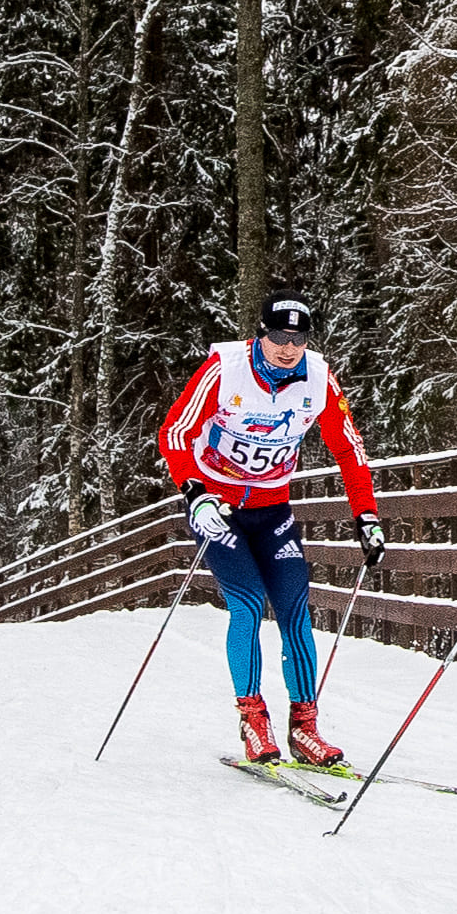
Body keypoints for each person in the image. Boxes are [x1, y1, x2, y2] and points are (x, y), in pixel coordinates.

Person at [157, 294, 388, 766]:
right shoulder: (226, 369)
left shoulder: (319, 378)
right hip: (218, 508)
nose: (288, 348)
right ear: (259, 335)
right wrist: (194, 492)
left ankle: (305, 728)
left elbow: (349, 449)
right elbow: (175, 433)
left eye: (298, 338)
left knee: (294, 611)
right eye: (278, 337)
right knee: (245, 605)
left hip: (273, 509)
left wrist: (366, 516)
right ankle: (252, 718)